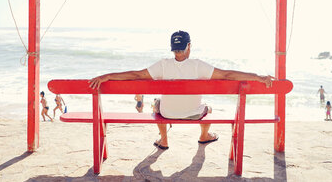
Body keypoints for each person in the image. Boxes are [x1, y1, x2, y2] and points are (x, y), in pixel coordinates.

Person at [89, 30, 273, 150]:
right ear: (189, 46)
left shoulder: (162, 65)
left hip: (167, 113)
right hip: (193, 114)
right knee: (207, 108)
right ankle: (204, 136)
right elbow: (227, 75)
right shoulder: (198, 66)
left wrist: (107, 76)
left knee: (156, 105)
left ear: (173, 48)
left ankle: (164, 140)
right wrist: (257, 77)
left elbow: (136, 75)